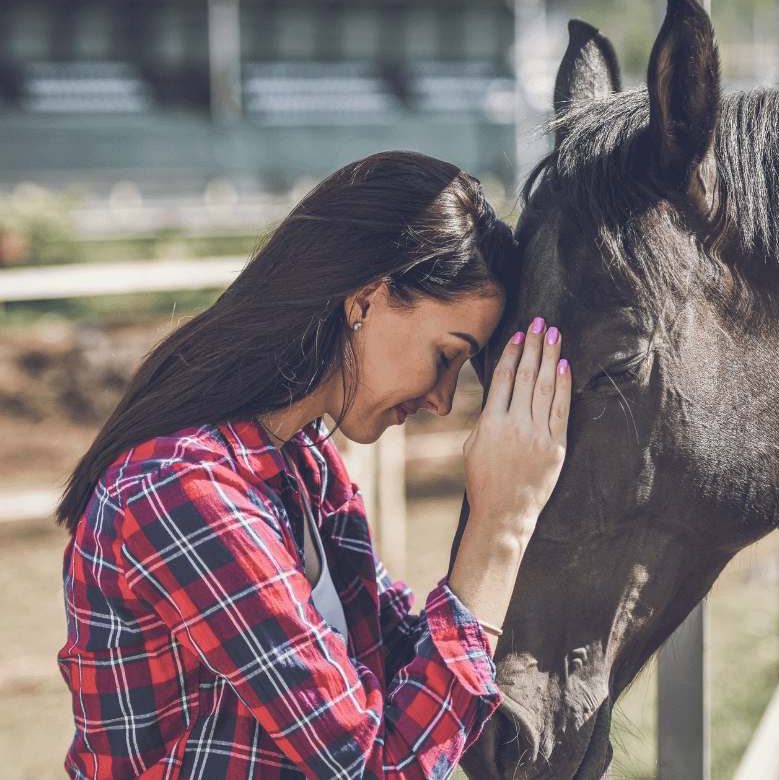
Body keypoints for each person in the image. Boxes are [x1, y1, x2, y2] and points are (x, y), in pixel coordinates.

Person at [55, 151, 571, 780]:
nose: (441, 401)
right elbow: (379, 766)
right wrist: (500, 527)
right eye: (446, 356)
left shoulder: (304, 468)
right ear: (367, 300)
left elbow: (392, 666)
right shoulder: (183, 491)